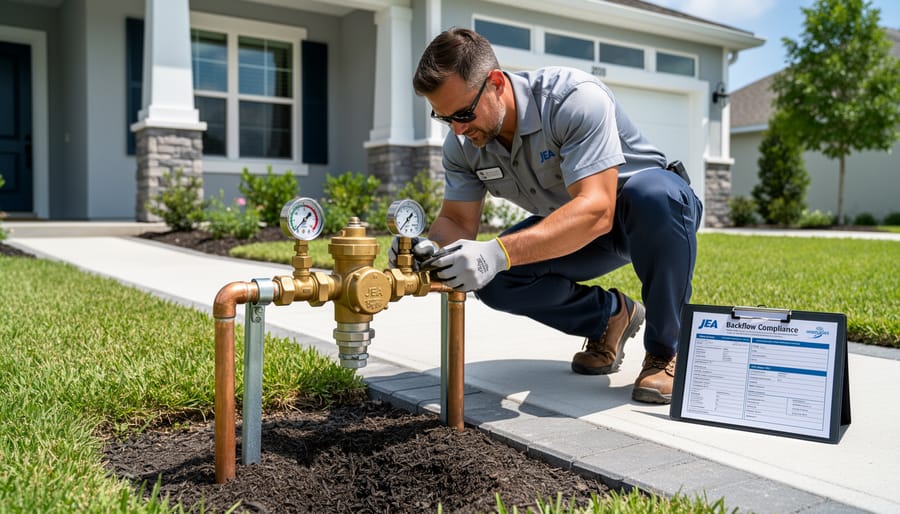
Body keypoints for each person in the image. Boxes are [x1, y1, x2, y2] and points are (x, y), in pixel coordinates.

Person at [402, 27, 702, 404]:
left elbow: (597, 209)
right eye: (444, 118)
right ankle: (610, 317)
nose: (458, 129)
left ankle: (665, 350)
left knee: (652, 195)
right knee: (496, 280)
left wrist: (495, 252)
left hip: (650, 213)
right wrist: (428, 253)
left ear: (496, 83)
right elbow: (457, 223)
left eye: (463, 113)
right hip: (578, 226)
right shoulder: (463, 143)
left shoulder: (572, 99)